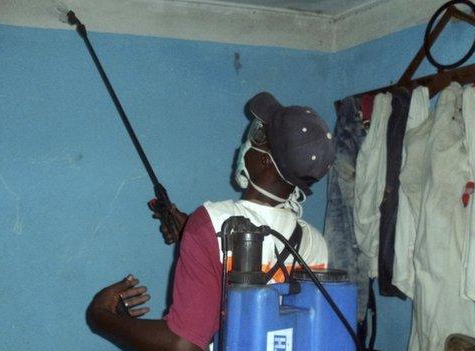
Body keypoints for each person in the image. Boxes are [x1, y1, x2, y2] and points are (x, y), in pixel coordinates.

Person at [87, 92, 336, 351]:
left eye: (258, 136)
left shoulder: (210, 222)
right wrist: (193, 234)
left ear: (265, 161)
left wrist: (101, 317)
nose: (246, 142)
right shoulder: (316, 243)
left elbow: (183, 345)